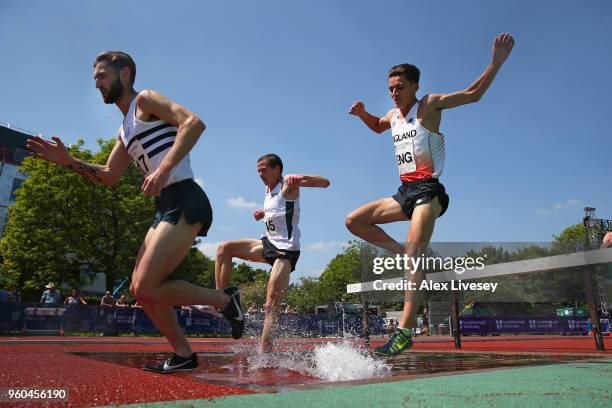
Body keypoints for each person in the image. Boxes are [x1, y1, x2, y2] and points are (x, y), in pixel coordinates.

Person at [26, 51, 244, 373]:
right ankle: (184, 354)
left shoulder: (146, 100)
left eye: (102, 76)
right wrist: (69, 162)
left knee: (146, 287)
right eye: (95, 78)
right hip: (164, 205)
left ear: (124, 74)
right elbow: (110, 175)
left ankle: (225, 300)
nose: (97, 83)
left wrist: (162, 169)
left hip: (184, 195)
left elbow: (194, 123)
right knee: (139, 292)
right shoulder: (124, 130)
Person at [346, 33, 515, 356]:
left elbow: (472, 94)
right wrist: (363, 114)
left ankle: (405, 331)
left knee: (414, 250)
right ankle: (403, 255)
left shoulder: (430, 104)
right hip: (404, 191)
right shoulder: (394, 116)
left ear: (415, 87)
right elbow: (378, 126)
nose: (394, 94)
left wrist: (496, 62)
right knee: (354, 221)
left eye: (399, 88)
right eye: (390, 89)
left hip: (429, 192)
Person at [215, 154, 329, 352]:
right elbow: (278, 211)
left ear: (277, 169)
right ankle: (223, 302)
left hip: (285, 251)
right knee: (224, 249)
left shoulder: (289, 184)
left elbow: (325, 183)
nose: (260, 174)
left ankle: (265, 353)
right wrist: (263, 214)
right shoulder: (267, 189)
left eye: (263, 170)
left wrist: (300, 177)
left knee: (270, 306)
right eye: (258, 171)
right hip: (267, 244)